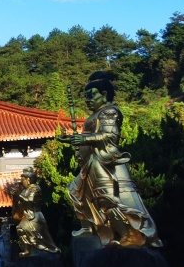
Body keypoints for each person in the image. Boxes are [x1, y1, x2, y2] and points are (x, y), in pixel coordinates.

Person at [57, 73, 162, 248]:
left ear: (104, 94)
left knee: (108, 199)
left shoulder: (109, 111)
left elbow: (109, 136)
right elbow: (89, 138)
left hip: (105, 162)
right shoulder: (95, 115)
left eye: (92, 95)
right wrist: (72, 141)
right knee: (75, 192)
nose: (88, 100)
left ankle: (130, 234)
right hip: (90, 163)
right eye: (86, 97)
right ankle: (88, 226)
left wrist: (82, 140)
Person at [9, 167, 60, 256]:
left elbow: (29, 200)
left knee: (40, 236)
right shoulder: (24, 190)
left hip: (35, 215)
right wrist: (15, 195)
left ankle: (48, 249)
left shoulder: (35, 188)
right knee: (20, 229)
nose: (22, 182)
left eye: (23, 180)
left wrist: (17, 195)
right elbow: (19, 203)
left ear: (28, 180)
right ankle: (27, 250)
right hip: (27, 215)